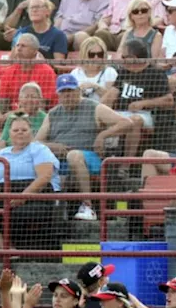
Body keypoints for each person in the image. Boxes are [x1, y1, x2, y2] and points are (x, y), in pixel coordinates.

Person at [37, 73, 131, 222]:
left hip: (90, 158)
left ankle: (88, 206)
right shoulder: (52, 114)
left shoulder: (94, 108)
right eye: (64, 93)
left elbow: (127, 123)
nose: (68, 96)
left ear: (78, 91)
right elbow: (37, 143)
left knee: (74, 155)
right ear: (58, 95)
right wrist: (52, 145)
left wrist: (103, 135)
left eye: (71, 91)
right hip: (59, 160)